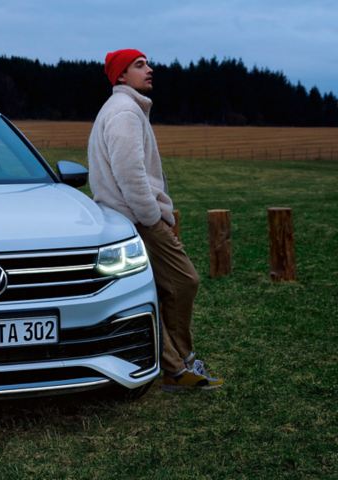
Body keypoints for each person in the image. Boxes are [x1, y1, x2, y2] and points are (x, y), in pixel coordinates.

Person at [87, 49, 223, 391]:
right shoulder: (124, 113)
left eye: (147, 63)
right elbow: (129, 173)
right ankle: (179, 363)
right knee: (183, 281)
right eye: (139, 65)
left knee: (161, 287)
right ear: (120, 77)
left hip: (128, 216)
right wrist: (151, 216)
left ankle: (177, 365)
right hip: (136, 218)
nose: (150, 69)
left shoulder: (126, 110)